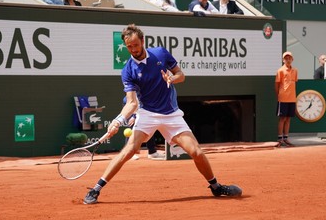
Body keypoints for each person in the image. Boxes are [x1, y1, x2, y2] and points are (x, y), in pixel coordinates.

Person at [83, 24, 242, 204]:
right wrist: (119, 120)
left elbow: (181, 75)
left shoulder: (160, 53)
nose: (133, 50)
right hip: (147, 113)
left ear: (142, 41)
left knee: (196, 152)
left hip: (171, 115)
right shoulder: (128, 70)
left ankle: (216, 187)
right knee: (129, 150)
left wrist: (172, 78)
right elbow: (132, 102)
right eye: (129, 47)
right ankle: (96, 189)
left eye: (135, 45)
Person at [275, 51, 298, 147]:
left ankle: (286, 138)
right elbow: (276, 85)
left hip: (292, 98)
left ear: (292, 59)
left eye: (289, 58)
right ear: (283, 60)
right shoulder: (280, 70)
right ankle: (280, 139)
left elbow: (294, 83)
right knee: (282, 119)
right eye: (286, 58)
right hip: (283, 98)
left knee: (288, 119)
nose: (288, 60)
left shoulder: (295, 71)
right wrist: (279, 96)